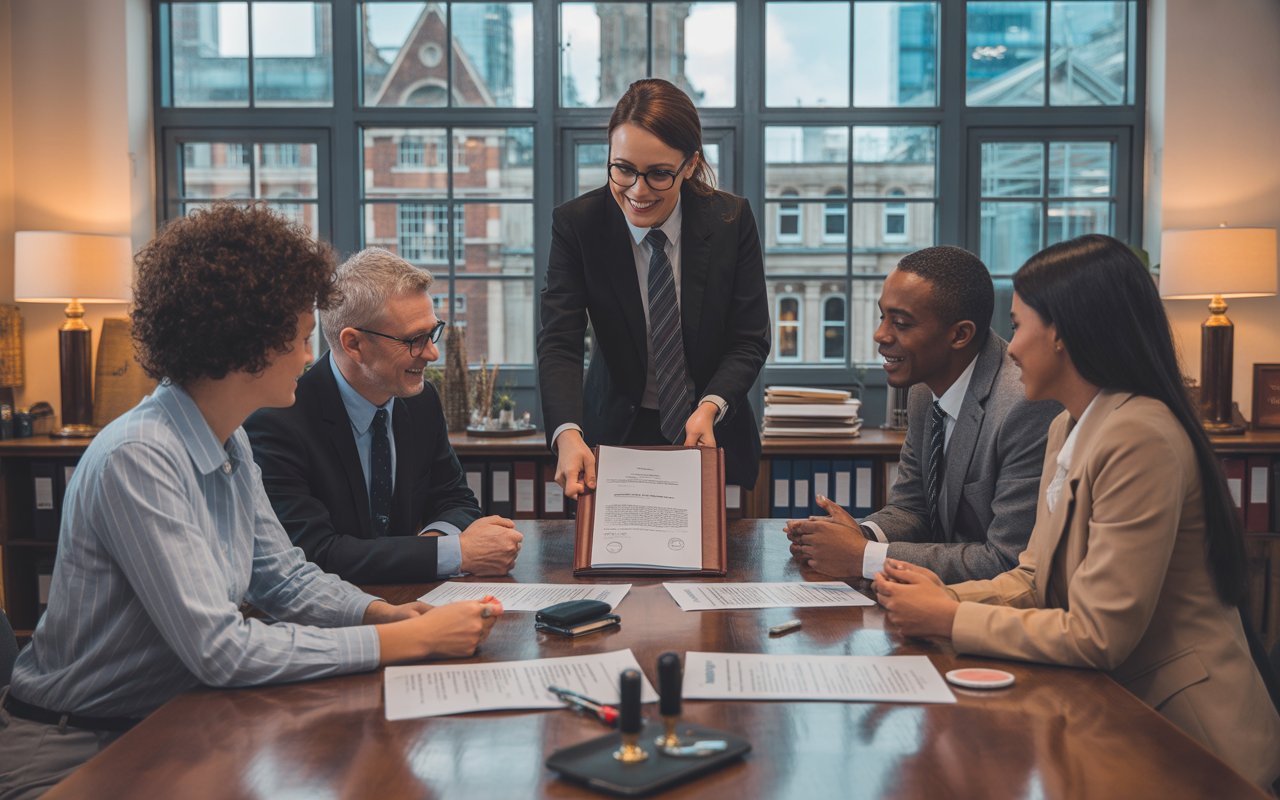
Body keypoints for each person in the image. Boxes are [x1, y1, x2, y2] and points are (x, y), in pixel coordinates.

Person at [0, 205, 502, 798]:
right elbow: (220, 650)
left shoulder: (228, 437)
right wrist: (401, 641)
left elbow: (284, 578)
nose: (303, 356)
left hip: (172, 726)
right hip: (78, 750)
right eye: (295, 338)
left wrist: (379, 614)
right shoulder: (138, 457)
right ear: (242, 347)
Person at [873, 234, 1280, 788]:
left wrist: (949, 617)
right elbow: (1035, 576)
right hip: (1116, 713)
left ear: (1063, 333)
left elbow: (1098, 635)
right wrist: (938, 594)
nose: (1010, 349)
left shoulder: (1140, 436)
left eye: (1018, 326)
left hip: (1189, 742)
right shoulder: (1070, 423)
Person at [538, 78, 770, 496]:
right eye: (623, 169)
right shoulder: (578, 225)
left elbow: (749, 339)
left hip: (711, 429)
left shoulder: (730, 221)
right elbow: (559, 341)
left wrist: (710, 406)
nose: (638, 191)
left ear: (691, 165)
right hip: (612, 437)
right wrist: (566, 433)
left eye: (660, 174)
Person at [245, 248, 523, 584]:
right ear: (354, 345)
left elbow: (454, 498)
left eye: (432, 333)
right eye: (414, 340)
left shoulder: (421, 401)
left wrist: (431, 549)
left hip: (411, 603)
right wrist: (457, 553)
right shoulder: (278, 420)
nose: (432, 353)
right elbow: (313, 553)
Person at [787, 246, 1059, 583]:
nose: (881, 335)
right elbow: (912, 509)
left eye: (900, 323)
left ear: (960, 334)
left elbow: (1008, 560)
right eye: (882, 316)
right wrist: (858, 534)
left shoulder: (1024, 404)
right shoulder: (922, 390)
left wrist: (863, 557)